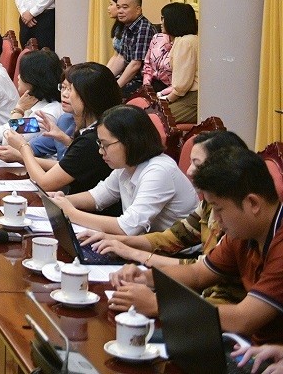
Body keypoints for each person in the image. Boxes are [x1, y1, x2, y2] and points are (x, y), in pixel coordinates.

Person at [108, 148, 283, 343]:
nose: (216, 219)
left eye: (218, 209)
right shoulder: (243, 232)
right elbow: (198, 273)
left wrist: (159, 304)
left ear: (253, 203)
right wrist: (146, 277)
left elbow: (244, 318)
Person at [94, 131, 252, 316]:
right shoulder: (209, 205)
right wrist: (119, 245)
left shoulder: (240, 224)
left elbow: (244, 314)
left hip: (216, 310)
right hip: (204, 303)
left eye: (197, 164)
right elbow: (176, 241)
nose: (189, 171)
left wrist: (136, 256)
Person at [48, 105, 197, 235]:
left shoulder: (159, 171)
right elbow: (97, 197)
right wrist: (60, 201)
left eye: (105, 145)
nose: (101, 151)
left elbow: (128, 227)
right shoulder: (127, 166)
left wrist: (71, 213)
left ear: (130, 141)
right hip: (145, 245)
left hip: (175, 253)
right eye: (100, 144)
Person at [0, 61, 123, 195]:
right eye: (63, 87)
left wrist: (18, 110)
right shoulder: (65, 119)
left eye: (70, 89)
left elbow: (11, 135)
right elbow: (67, 164)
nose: (18, 78)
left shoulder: (47, 113)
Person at [0, 50, 68, 153]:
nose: (18, 77)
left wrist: (18, 110)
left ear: (33, 79)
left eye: (22, 74)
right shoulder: (34, 104)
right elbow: (4, 129)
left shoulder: (45, 115)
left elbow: (9, 140)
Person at [158, 2, 199, 124]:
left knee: (156, 120)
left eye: (163, 18)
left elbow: (182, 84)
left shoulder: (185, 42)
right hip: (188, 95)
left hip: (191, 99)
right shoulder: (188, 39)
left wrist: (166, 100)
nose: (161, 22)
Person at [108, 0, 155, 96]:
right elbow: (121, 58)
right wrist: (105, 79)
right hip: (130, 76)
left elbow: (136, 65)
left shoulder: (143, 28)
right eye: (118, 7)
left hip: (143, 81)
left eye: (125, 7)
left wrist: (115, 88)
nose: (120, 11)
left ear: (138, 10)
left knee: (107, 95)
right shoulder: (127, 25)